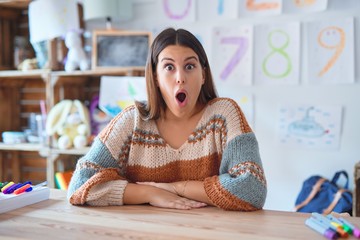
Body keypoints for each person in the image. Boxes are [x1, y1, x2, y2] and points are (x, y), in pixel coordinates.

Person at [67, 27, 267, 211]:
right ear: (155, 77)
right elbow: (80, 185)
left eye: (189, 66)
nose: (180, 77)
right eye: (169, 67)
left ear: (203, 75)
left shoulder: (224, 114)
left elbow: (252, 189)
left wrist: (176, 188)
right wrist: (150, 193)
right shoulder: (132, 121)